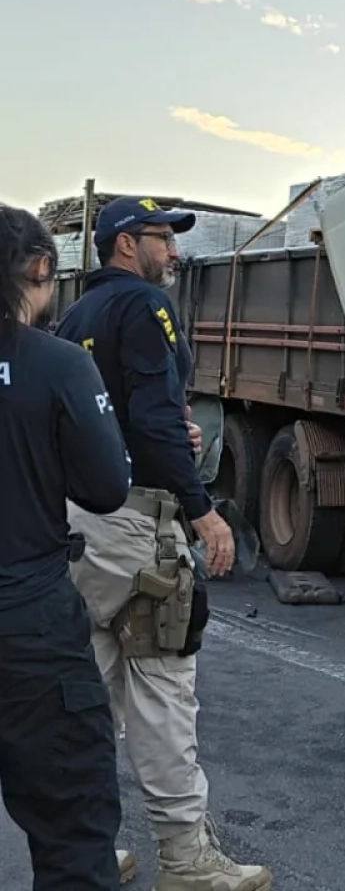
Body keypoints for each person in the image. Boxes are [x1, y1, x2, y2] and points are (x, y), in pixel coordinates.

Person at [55, 196, 272, 891]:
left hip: (83, 522)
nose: (174, 252)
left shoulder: (75, 316)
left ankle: (86, 847)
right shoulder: (147, 307)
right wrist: (204, 511)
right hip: (137, 520)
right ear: (126, 245)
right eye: (162, 239)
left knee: (93, 689)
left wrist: (172, 438)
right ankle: (185, 858)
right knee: (163, 685)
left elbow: (117, 419)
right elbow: (150, 418)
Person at [0, 205, 132, 889]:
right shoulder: (57, 364)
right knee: (72, 829)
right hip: (29, 622)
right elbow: (108, 488)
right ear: (41, 270)